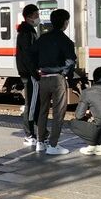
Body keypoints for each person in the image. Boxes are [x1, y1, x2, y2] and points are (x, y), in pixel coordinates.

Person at [33, 8, 76, 155]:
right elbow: (70, 61)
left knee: (42, 111)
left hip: (43, 79)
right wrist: (64, 73)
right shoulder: (66, 41)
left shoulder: (42, 39)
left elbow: (32, 56)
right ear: (65, 23)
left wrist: (38, 72)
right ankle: (53, 145)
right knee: (58, 112)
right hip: (58, 79)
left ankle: (40, 142)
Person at [14, 4, 40, 147]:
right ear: (29, 16)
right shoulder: (28, 33)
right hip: (29, 74)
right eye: (36, 14)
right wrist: (35, 73)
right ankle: (29, 134)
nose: (38, 17)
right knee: (31, 104)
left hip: (27, 72)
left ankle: (33, 132)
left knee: (31, 103)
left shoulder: (25, 31)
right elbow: (28, 56)